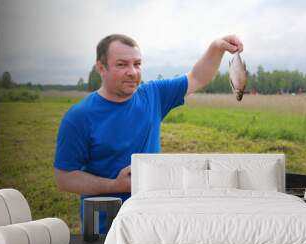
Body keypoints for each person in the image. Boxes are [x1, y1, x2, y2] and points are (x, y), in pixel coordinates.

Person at [54, 34, 244, 233]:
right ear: (101, 68)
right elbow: (64, 178)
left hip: (153, 218)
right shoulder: (79, 117)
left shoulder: (153, 95)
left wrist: (216, 47)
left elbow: (197, 77)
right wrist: (115, 186)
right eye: (122, 64)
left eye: (137, 64)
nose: (132, 72)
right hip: (105, 226)